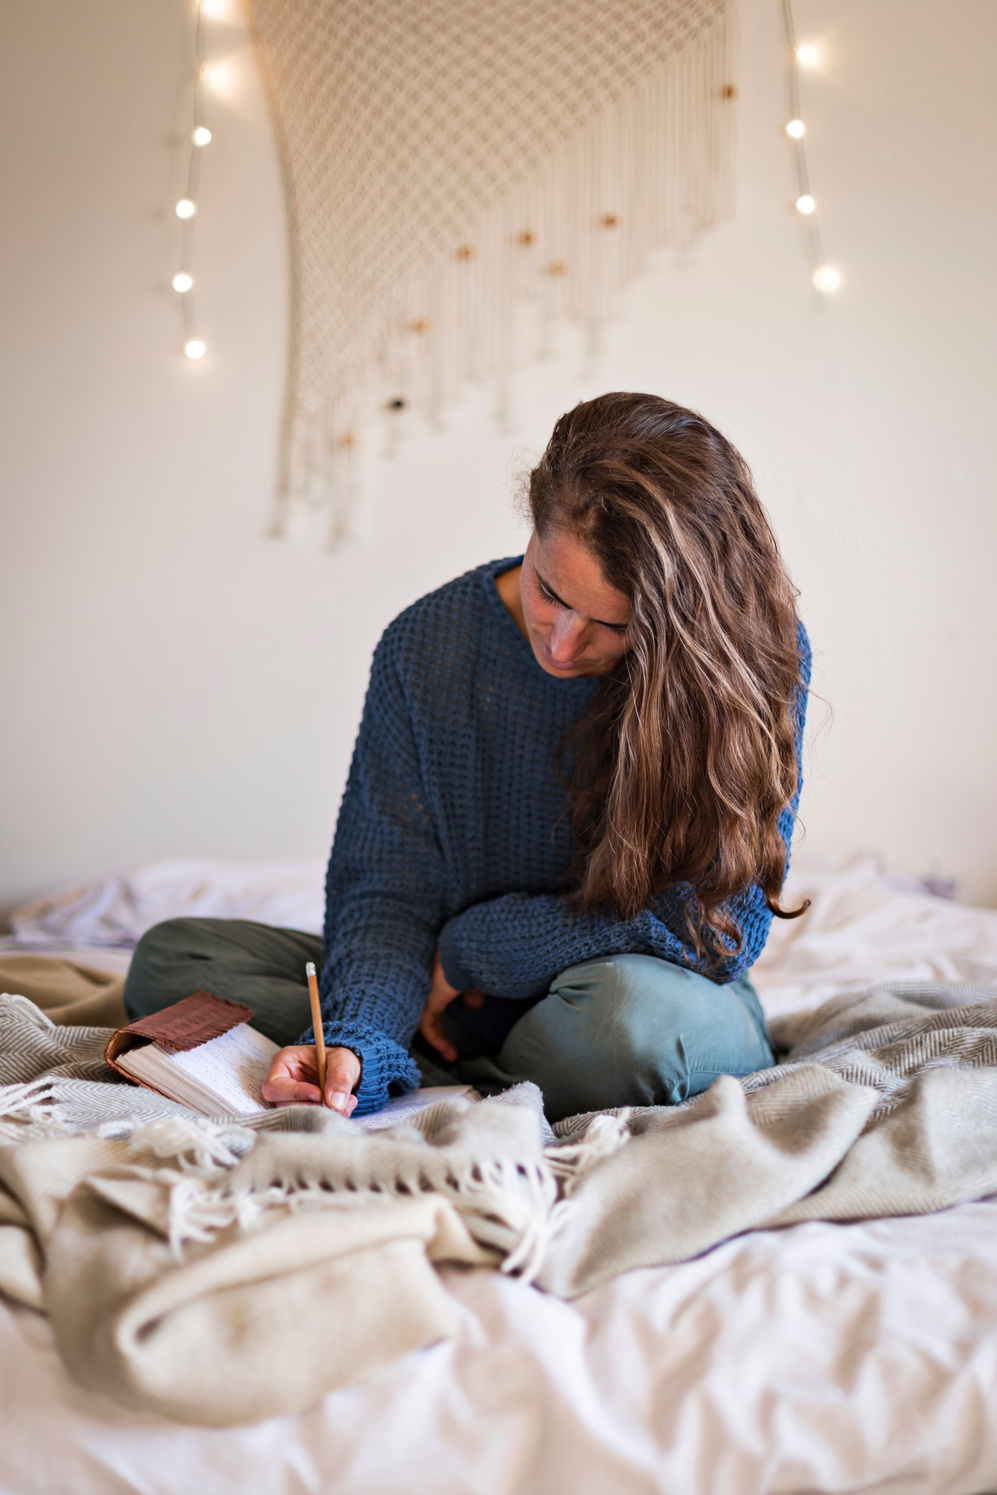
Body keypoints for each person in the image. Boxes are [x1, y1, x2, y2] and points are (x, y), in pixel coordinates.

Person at [123, 393, 810, 1123]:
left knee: (623, 1026)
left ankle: (459, 1069)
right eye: (550, 592)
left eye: (613, 625)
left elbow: (713, 927)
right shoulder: (426, 647)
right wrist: (353, 1037)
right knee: (175, 961)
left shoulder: (749, 659)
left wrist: (474, 949)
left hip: (633, 994)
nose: (562, 644)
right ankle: (417, 1064)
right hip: (454, 1005)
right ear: (533, 529)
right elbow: (386, 892)